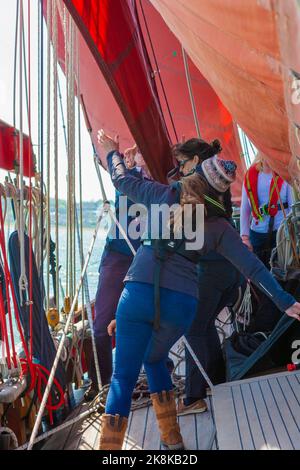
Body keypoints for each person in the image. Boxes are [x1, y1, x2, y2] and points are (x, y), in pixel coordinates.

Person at [96, 130, 300, 451]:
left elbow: (121, 180)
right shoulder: (220, 227)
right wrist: (286, 301)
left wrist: (111, 152)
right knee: (154, 357)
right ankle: (173, 441)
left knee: (123, 377)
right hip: (182, 302)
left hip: (138, 293)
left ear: (195, 174)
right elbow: (253, 268)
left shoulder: (163, 195)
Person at [170, 139, 245, 416]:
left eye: (182, 164)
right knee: (205, 325)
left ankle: (193, 397)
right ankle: (217, 380)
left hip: (211, 274)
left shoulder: (199, 185)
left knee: (193, 329)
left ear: (195, 161)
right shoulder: (214, 182)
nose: (179, 170)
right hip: (228, 272)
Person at [86, 145, 143, 399]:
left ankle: (156, 371)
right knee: (100, 327)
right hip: (117, 257)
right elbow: (115, 172)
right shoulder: (124, 179)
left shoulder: (159, 181)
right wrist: (115, 153)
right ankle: (102, 383)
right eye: (129, 153)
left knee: (144, 321)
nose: (131, 155)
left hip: (146, 260)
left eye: (137, 151)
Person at [240, 152, 293, 267]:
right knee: (260, 272)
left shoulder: (284, 174)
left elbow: (292, 206)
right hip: (257, 234)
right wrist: (245, 237)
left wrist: (292, 233)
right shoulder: (250, 176)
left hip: (281, 233)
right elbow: (245, 209)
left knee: (282, 271)